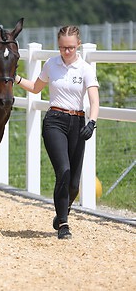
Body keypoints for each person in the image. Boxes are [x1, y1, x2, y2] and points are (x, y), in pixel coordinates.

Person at [14, 25, 100, 239]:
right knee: (63, 171)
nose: (67, 52)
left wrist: (92, 122)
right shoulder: (51, 64)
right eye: (63, 47)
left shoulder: (85, 69)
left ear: (78, 45)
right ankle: (63, 223)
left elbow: (94, 99)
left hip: (78, 122)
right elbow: (35, 87)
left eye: (70, 47)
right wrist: (14, 78)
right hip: (55, 121)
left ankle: (63, 209)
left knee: (74, 183)